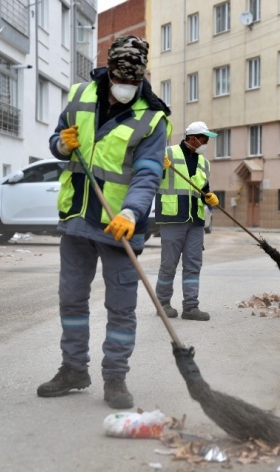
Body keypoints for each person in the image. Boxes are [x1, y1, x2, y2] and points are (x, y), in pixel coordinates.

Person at [37, 35, 172, 409]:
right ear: (109, 71)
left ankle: (115, 378)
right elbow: (56, 140)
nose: (126, 87)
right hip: (78, 218)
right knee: (72, 300)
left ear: (142, 76)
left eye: (134, 81)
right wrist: (61, 145)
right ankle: (73, 369)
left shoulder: (153, 116)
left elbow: (147, 174)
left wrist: (132, 212)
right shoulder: (80, 96)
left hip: (119, 226)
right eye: (121, 80)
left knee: (121, 306)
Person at [154, 121, 219, 322]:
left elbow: (203, 189)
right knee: (169, 265)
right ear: (192, 139)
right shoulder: (168, 154)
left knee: (193, 265)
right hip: (172, 216)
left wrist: (209, 197)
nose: (206, 143)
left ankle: (190, 307)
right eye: (204, 139)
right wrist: (159, 167)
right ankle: (163, 304)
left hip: (196, 220)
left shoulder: (203, 163)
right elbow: (149, 177)